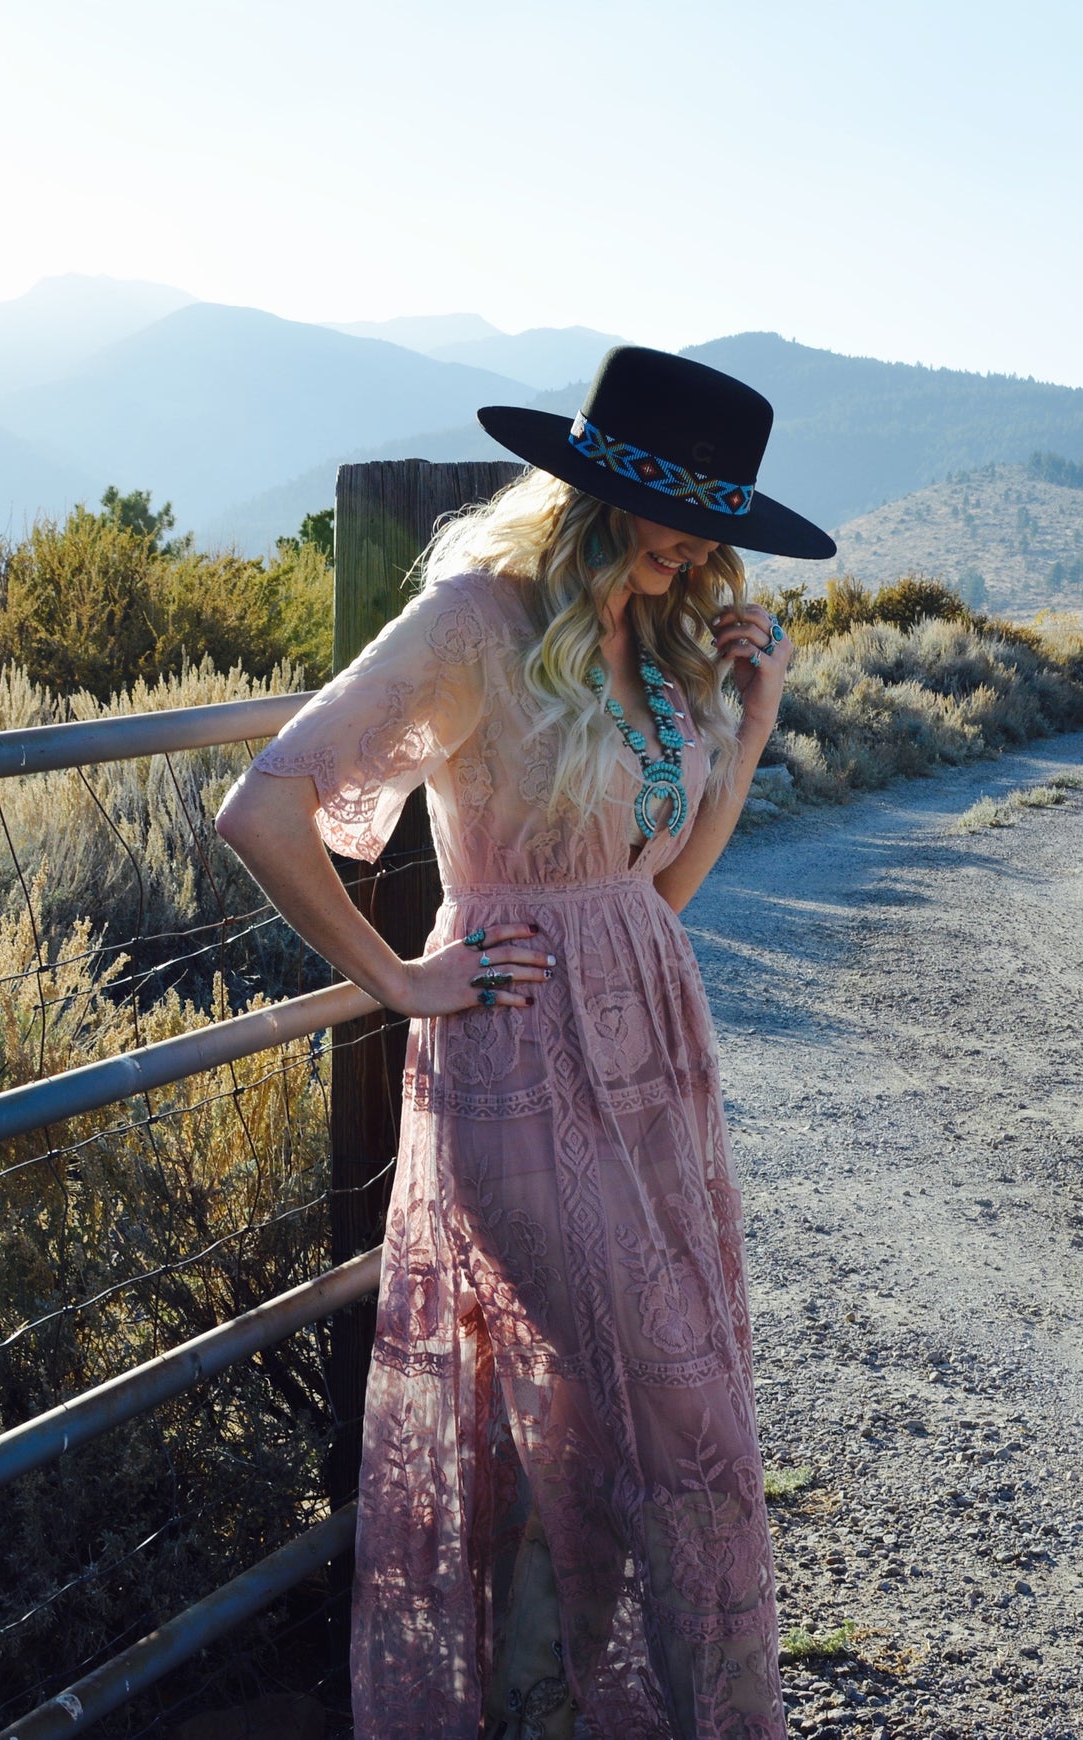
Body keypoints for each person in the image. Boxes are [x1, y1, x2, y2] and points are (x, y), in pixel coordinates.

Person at [215, 346, 836, 1740]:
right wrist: (400, 978)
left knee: (652, 1420)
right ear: (594, 493)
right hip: (516, 1061)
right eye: (679, 512)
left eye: (717, 521)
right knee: (670, 1423)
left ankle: (577, 1700)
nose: (701, 546)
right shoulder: (475, 623)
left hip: (654, 1052)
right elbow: (264, 806)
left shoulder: (658, 648)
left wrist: (744, 729)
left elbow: (655, 894)